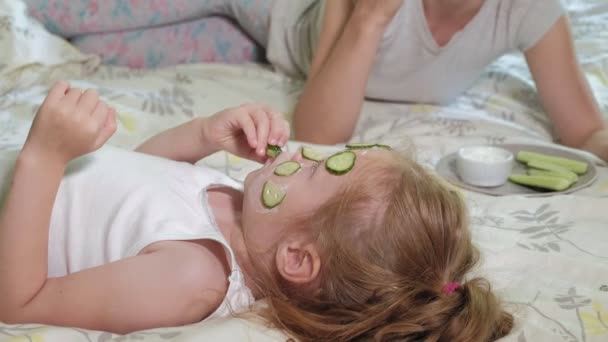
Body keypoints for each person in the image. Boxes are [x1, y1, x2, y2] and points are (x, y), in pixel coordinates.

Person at [0, 82, 513, 341]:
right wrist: (200, 135)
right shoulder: (242, 212)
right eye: (332, 153)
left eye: (317, 170)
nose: (301, 152)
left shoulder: (193, 277)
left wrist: (45, 156)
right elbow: (132, 191)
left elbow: (20, 305)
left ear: (296, 257)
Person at [273, 0, 608, 162]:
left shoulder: (529, 9)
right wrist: (369, 18)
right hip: (286, 18)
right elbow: (316, 134)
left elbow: (587, 132)